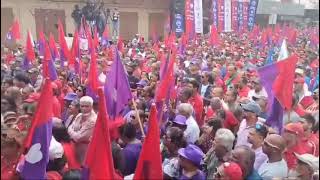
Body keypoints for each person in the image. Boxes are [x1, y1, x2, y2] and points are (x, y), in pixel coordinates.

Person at [67, 96, 97, 164]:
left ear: (91, 106)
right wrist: (73, 132)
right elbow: (69, 128)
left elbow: (78, 138)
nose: (84, 108)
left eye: (87, 106)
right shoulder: (79, 115)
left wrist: (71, 131)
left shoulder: (93, 120)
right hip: (75, 148)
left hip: (86, 150)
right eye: (82, 106)